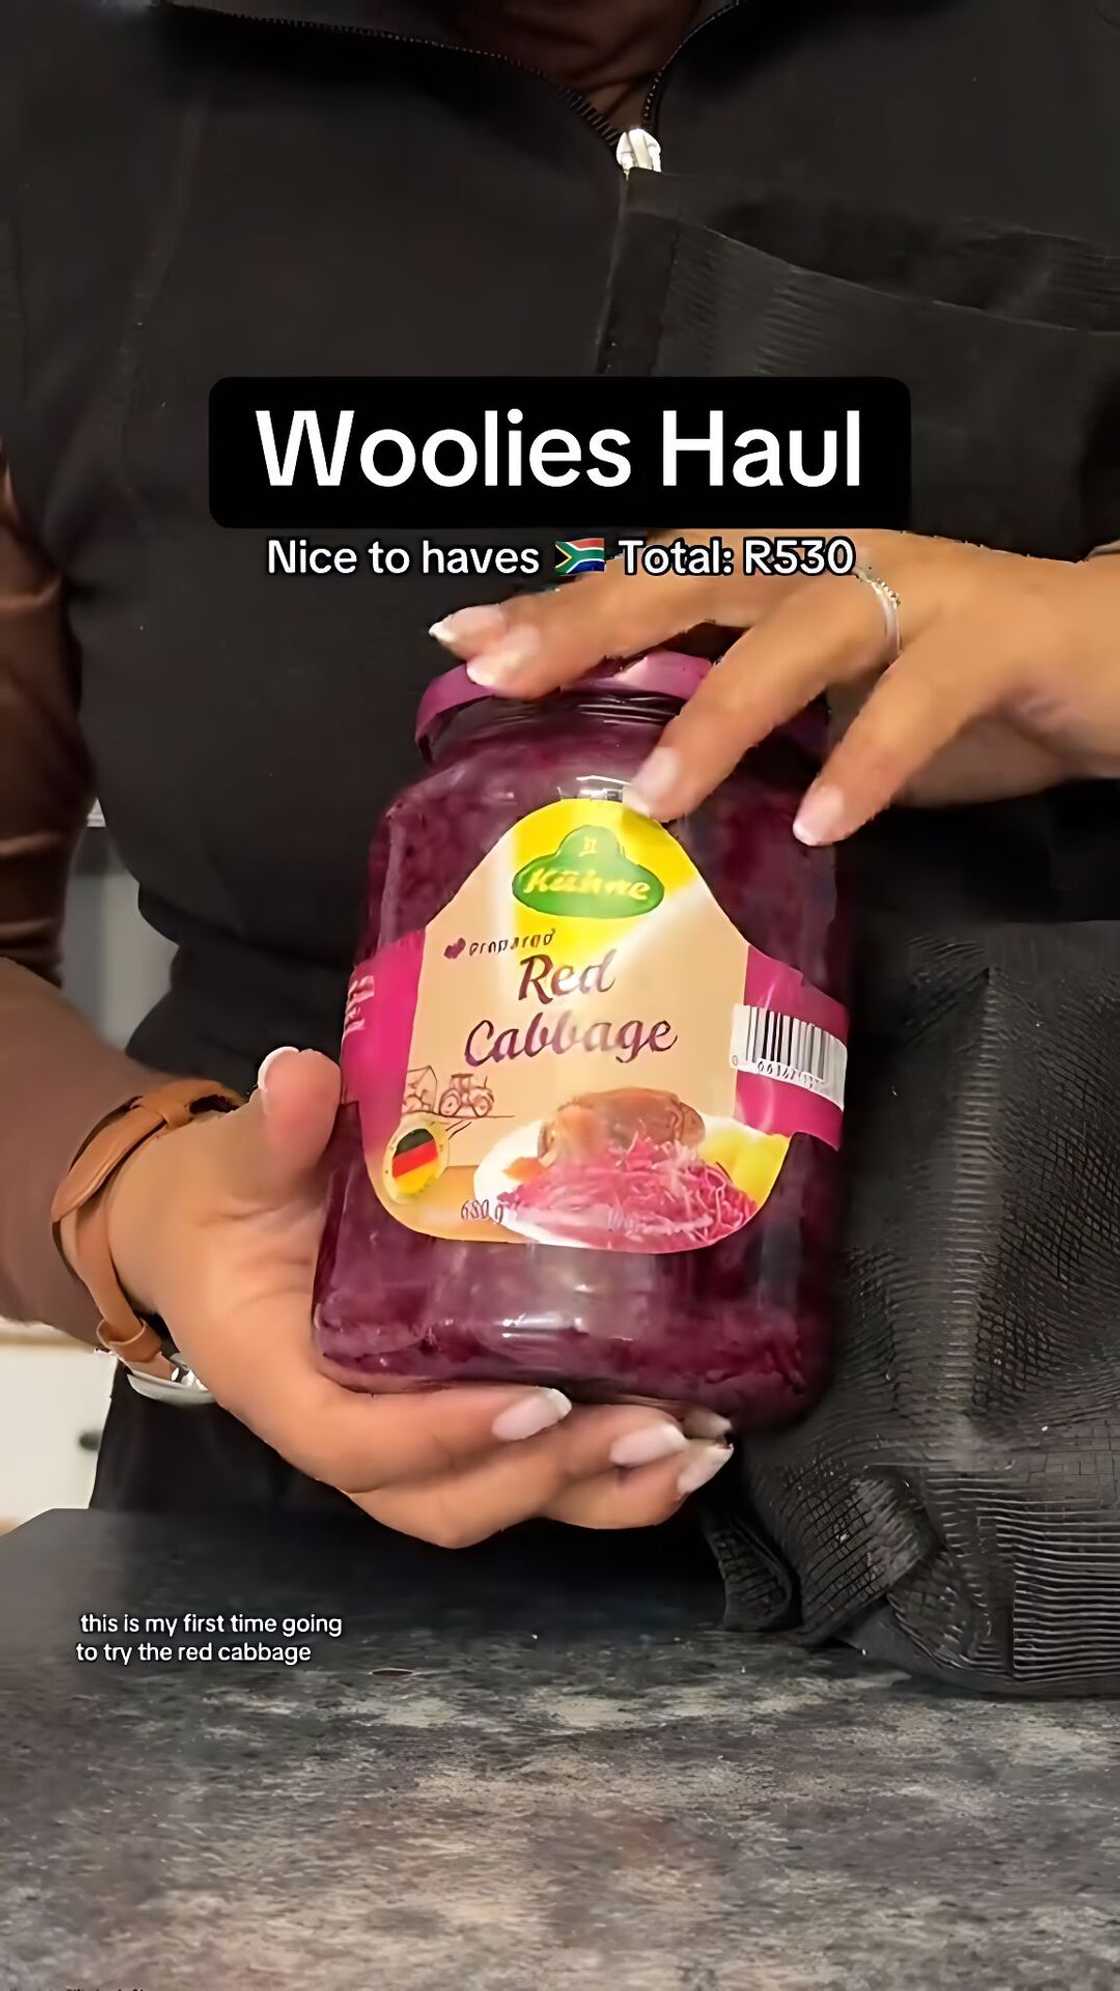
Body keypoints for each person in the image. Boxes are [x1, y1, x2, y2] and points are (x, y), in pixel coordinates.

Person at [2, 0, 1119, 1573]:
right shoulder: (49, 111)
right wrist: (132, 1205)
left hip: (1056, 1512)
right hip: (299, 1549)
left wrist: (1099, 642)